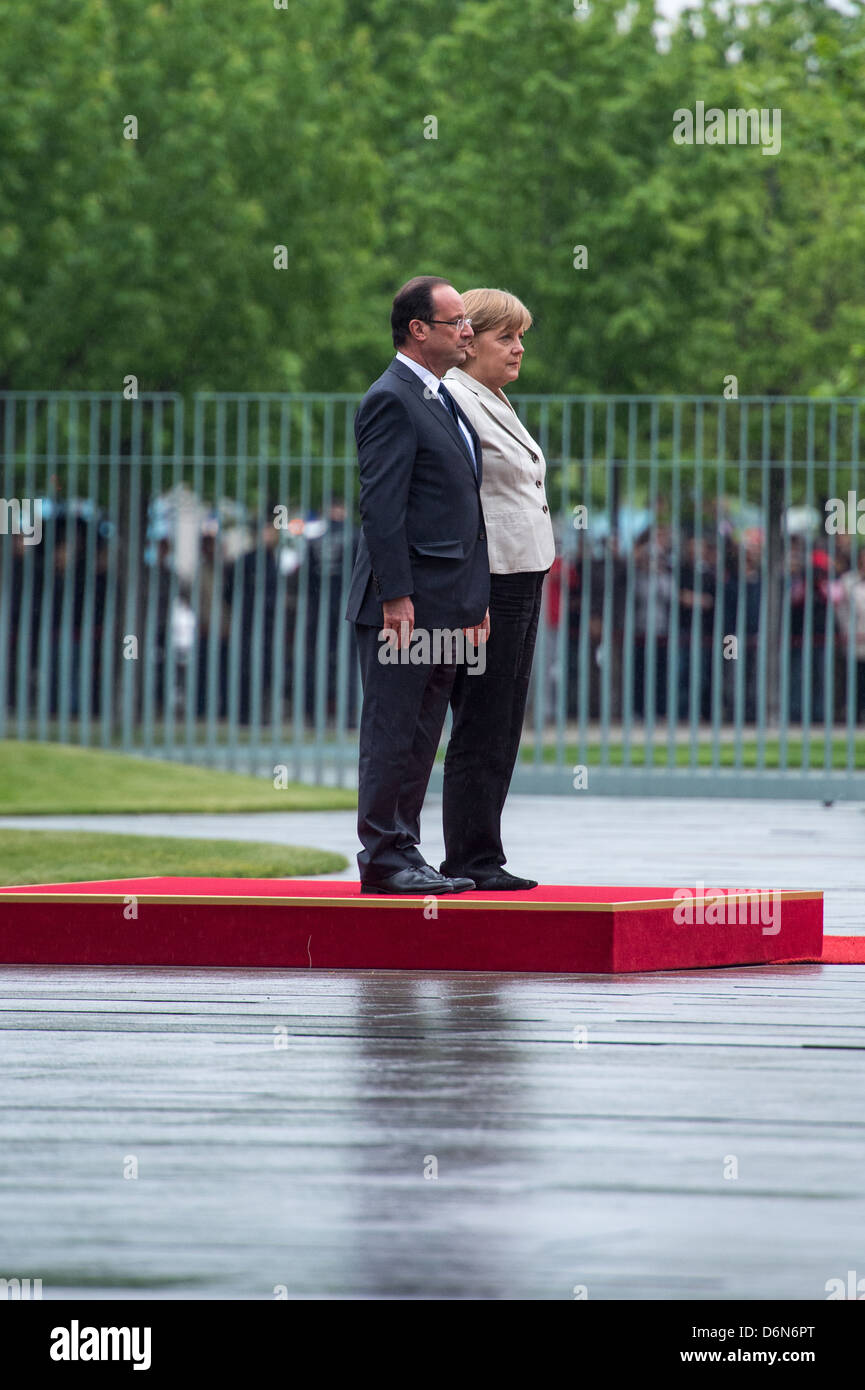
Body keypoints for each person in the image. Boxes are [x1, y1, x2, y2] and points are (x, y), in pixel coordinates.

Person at [345, 275, 490, 895]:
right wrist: (395, 595)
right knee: (392, 729)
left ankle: (404, 850)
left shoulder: (441, 396)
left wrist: (473, 602)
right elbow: (382, 507)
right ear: (418, 330)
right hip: (403, 607)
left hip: (447, 606)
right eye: (456, 321)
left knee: (422, 733)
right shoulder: (391, 398)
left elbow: (461, 510)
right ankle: (382, 856)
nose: (468, 331)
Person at [438, 288, 555, 890]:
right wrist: (473, 591)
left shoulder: (493, 398)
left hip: (524, 574)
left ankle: (484, 852)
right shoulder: (456, 400)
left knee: (504, 720)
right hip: (493, 581)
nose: (518, 348)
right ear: (469, 341)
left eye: (519, 336)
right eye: (505, 337)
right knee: (482, 720)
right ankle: (470, 858)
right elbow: (462, 505)